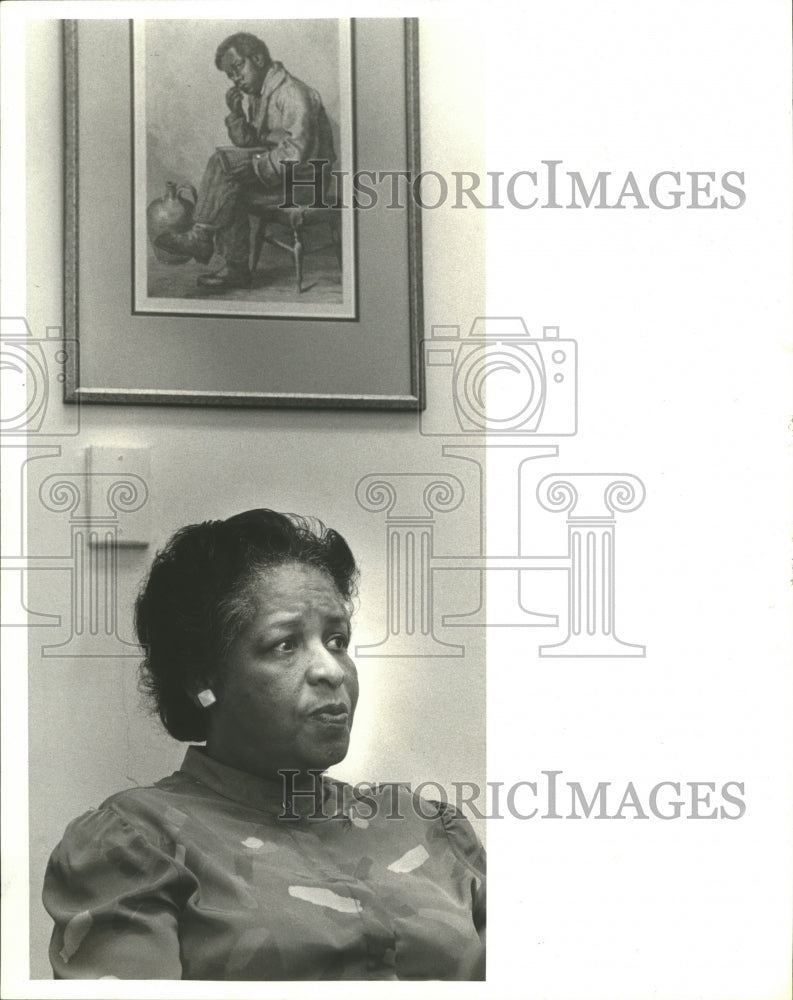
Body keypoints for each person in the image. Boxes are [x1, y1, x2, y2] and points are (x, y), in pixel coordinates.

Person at [42, 509, 486, 980]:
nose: (331, 671)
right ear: (204, 678)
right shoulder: (137, 844)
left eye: (337, 641)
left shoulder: (428, 827)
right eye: (285, 645)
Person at [156, 33, 336, 291]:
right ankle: (233, 268)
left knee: (224, 165)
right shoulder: (259, 95)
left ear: (259, 59)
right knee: (227, 185)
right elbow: (252, 145)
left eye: (238, 67)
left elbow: (297, 154)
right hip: (282, 178)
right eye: (230, 75)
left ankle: (203, 237)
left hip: (307, 183)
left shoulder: (293, 92)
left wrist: (255, 167)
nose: (235, 78)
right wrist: (237, 115)